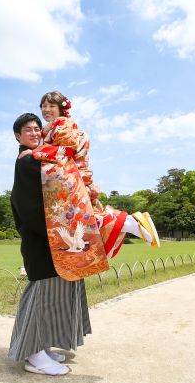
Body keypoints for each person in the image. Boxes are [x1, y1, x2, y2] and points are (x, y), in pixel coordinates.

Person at [20, 92, 159, 271]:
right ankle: (131, 224)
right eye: (44, 106)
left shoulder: (61, 124)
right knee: (83, 222)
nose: (46, 110)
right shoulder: (63, 126)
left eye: (51, 106)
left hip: (69, 179)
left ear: (61, 108)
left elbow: (66, 149)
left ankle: (129, 222)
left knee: (78, 221)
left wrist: (35, 153)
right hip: (76, 176)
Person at [8, 112, 86, 376]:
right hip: (42, 239)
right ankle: (33, 354)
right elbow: (28, 207)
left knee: (55, 294)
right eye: (27, 129)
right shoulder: (26, 161)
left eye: (37, 128)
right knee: (41, 294)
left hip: (55, 237)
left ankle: (43, 345)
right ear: (17, 136)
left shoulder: (40, 157)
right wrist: (58, 233)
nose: (34, 132)